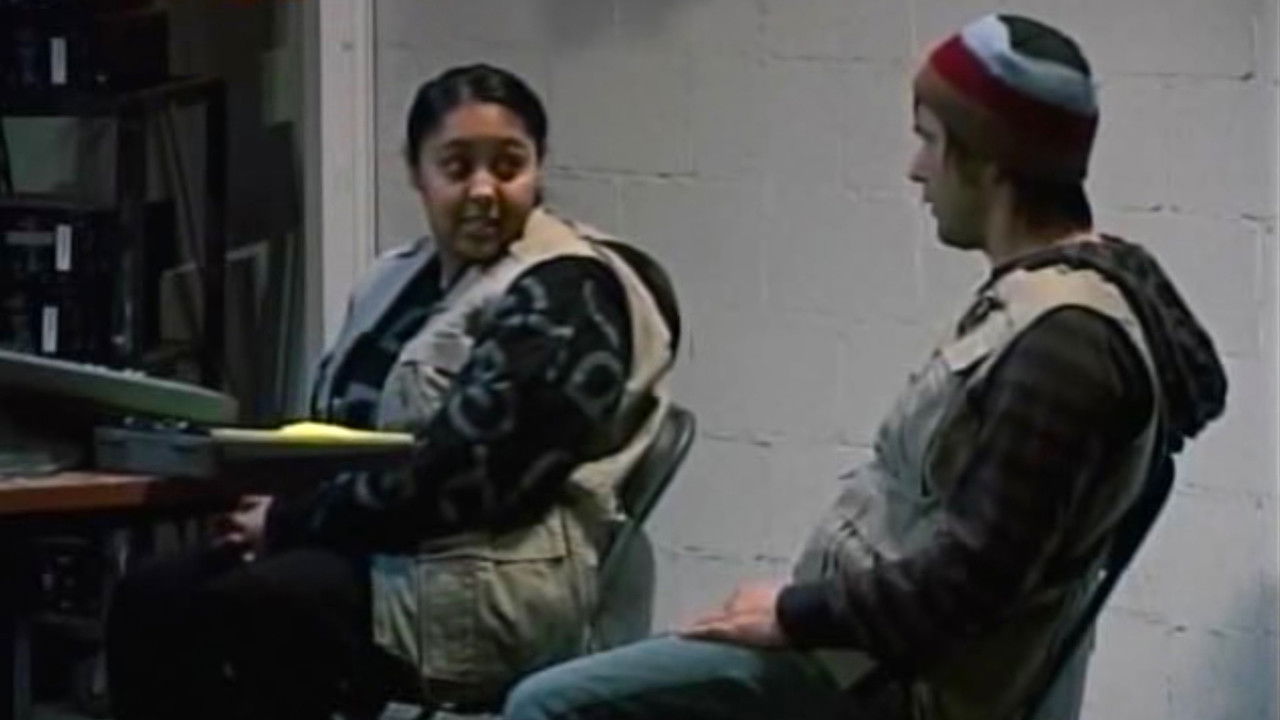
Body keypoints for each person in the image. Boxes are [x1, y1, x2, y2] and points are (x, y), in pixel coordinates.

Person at [503, 14, 1227, 720]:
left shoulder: (1065, 344)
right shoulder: (1052, 302)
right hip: (868, 654)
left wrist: (794, 613)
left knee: (546, 704)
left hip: (894, 683)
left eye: (929, 140)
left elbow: (968, 587)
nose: (916, 169)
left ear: (988, 160)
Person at [105, 63, 677, 720]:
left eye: (508, 166)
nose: (484, 190)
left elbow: (473, 477)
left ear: (538, 168)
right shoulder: (395, 277)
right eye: (457, 167)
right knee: (153, 596)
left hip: (491, 570)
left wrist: (290, 522)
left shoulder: (569, 291)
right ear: (417, 172)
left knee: (259, 609)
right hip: (377, 544)